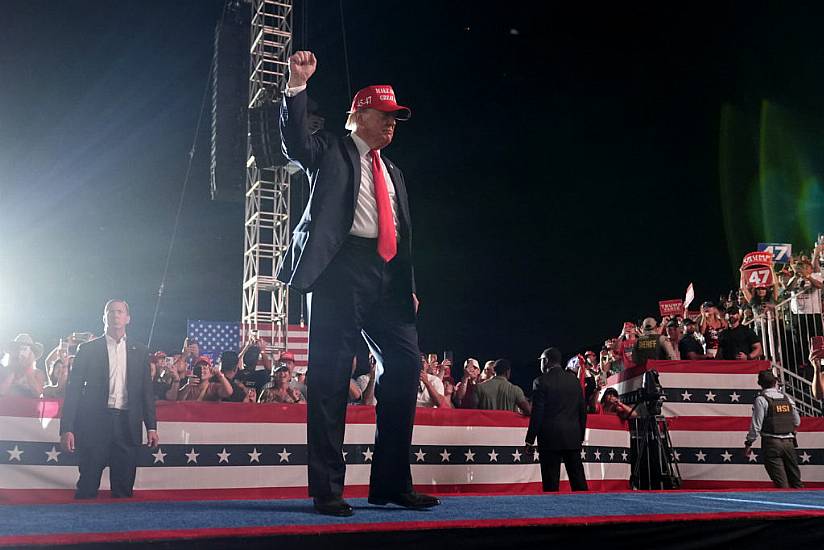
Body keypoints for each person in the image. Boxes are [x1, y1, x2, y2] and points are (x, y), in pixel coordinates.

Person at [277, 50, 437, 516]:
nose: (392, 124)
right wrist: (298, 86)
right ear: (359, 116)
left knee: (406, 368)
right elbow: (293, 141)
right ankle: (327, 489)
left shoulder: (395, 172)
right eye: (384, 115)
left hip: (387, 275)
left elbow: (402, 232)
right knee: (330, 378)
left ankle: (390, 483)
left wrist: (404, 281)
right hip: (340, 269)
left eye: (396, 117)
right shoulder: (329, 149)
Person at [59, 299, 158, 499]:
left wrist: (152, 427)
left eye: (120, 311)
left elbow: (146, 392)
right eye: (111, 311)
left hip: (127, 424)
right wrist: (67, 428)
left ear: (128, 318)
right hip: (94, 424)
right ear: (104, 317)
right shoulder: (87, 349)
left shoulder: (140, 351)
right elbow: (74, 391)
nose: (115, 315)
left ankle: (121, 529)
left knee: (123, 490)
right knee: (87, 486)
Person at [525, 348, 588, 492]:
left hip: (549, 439)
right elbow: (582, 411)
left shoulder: (540, 381)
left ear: (546, 361)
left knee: (551, 485)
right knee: (579, 482)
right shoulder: (574, 381)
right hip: (572, 438)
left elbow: (537, 413)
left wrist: (529, 440)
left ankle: (553, 513)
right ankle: (587, 511)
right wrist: (580, 437)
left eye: (541, 360)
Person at [745, 370, 803, 488]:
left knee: (781, 484)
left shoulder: (761, 400)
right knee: (796, 482)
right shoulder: (787, 399)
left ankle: (786, 504)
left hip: (771, 443)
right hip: (789, 443)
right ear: (775, 382)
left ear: (759, 383)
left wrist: (749, 443)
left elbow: (756, 425)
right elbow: (797, 421)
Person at [0, 334, 47, 398]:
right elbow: (2, 391)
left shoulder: (38, 373)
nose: (20, 352)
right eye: (17, 349)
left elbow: (38, 392)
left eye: (24, 349)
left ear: (31, 353)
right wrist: (13, 370)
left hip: (30, 407)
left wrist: (28, 369)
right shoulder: (4, 370)